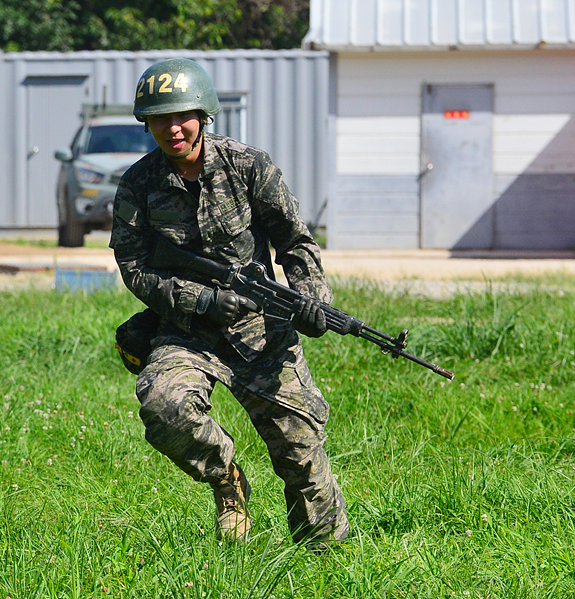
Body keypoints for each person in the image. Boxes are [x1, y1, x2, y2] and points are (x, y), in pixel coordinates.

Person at [109, 58, 349, 549]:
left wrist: (311, 298)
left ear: (203, 114)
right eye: (159, 118)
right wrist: (202, 301)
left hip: (262, 332)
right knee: (165, 406)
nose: (172, 128)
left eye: (182, 117)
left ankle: (324, 560)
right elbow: (134, 267)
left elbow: (296, 243)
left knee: (300, 454)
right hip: (186, 333)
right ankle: (228, 483)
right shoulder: (137, 185)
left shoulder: (248, 166)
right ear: (147, 123)